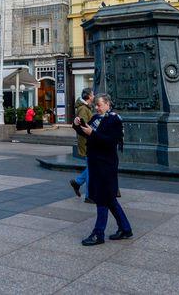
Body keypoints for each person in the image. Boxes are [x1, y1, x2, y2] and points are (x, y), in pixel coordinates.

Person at [73, 93, 132, 246]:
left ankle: (98, 233)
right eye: (96, 105)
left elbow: (111, 141)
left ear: (107, 104)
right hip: (95, 162)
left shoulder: (114, 120)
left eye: (99, 105)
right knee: (109, 199)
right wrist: (77, 125)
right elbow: (86, 133)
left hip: (106, 164)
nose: (97, 108)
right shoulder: (95, 118)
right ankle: (125, 229)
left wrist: (93, 133)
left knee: (102, 198)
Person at [70, 88, 94, 200]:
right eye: (93, 94)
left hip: (88, 141)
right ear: (89, 96)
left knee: (91, 166)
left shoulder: (86, 108)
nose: (94, 96)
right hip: (87, 142)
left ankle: (77, 182)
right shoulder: (83, 109)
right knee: (91, 167)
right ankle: (89, 196)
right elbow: (84, 126)